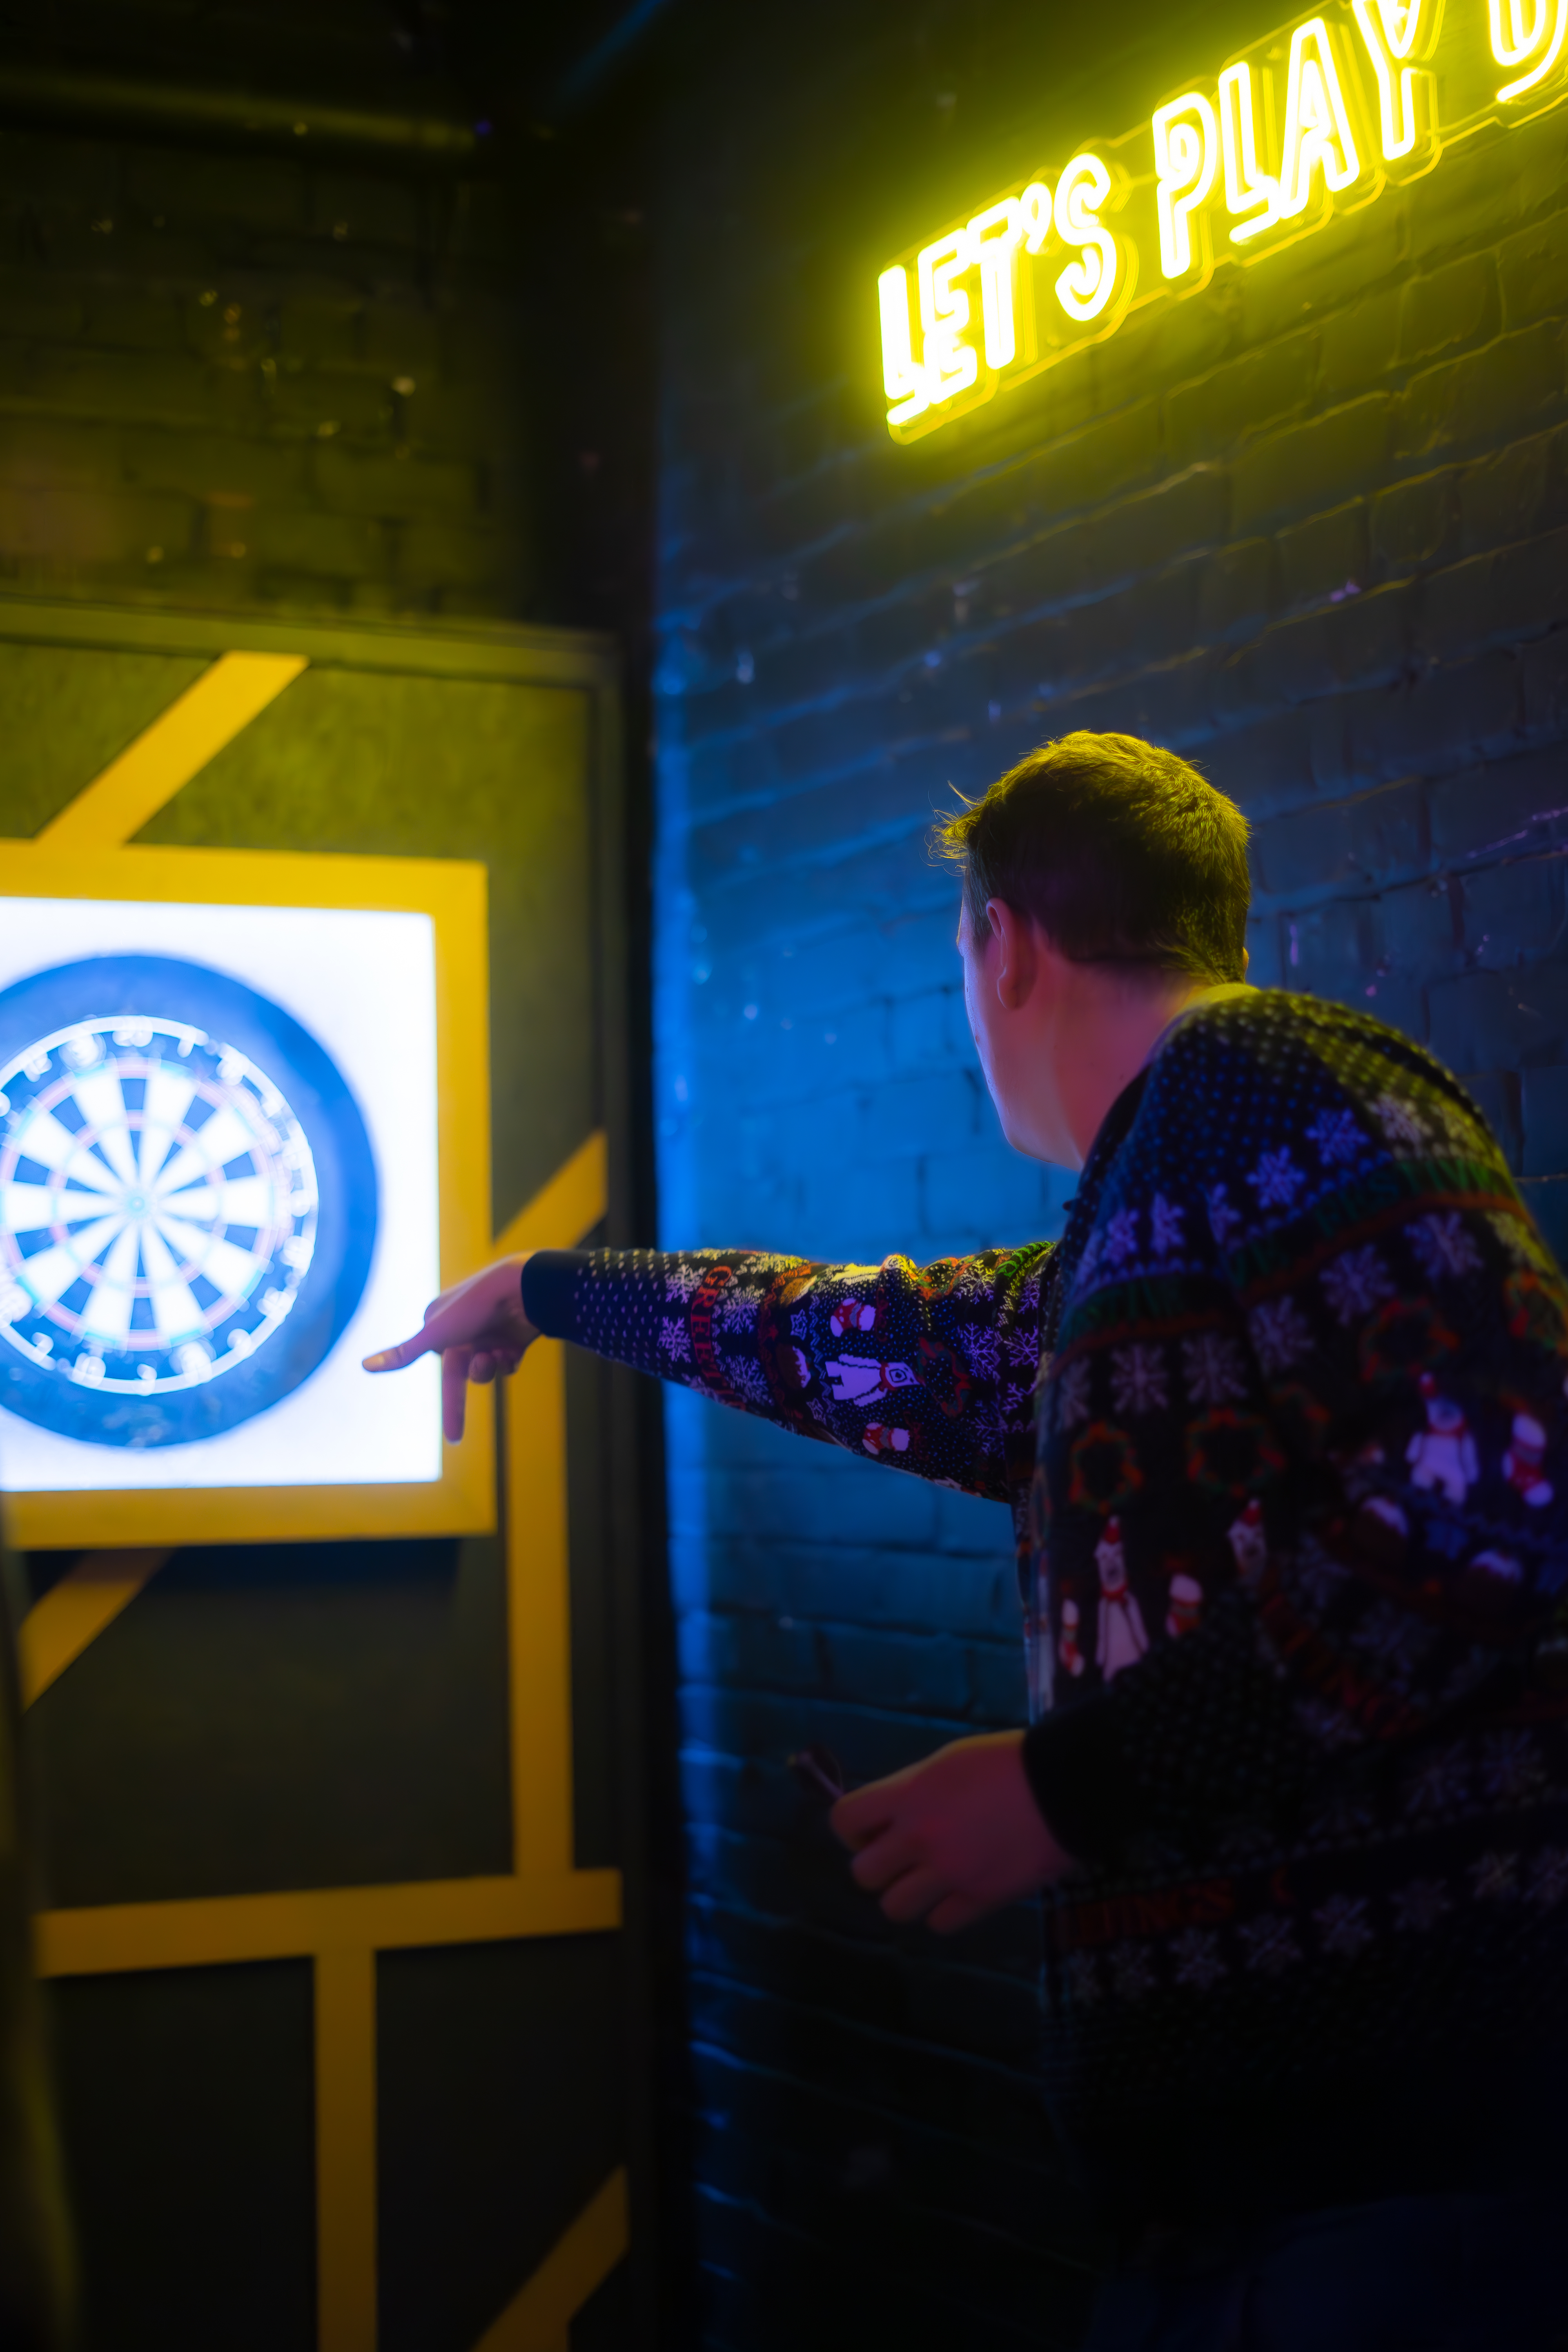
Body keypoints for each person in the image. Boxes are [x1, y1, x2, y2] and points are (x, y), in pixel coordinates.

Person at [365, 730, 1568, 2347]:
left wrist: (1059, 1788)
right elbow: (852, 1339)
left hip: (1406, 2195)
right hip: (1245, 2205)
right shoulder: (1124, 1237)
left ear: (997, 939)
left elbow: (1502, 1491)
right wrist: (546, 1294)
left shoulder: (1267, 1081)